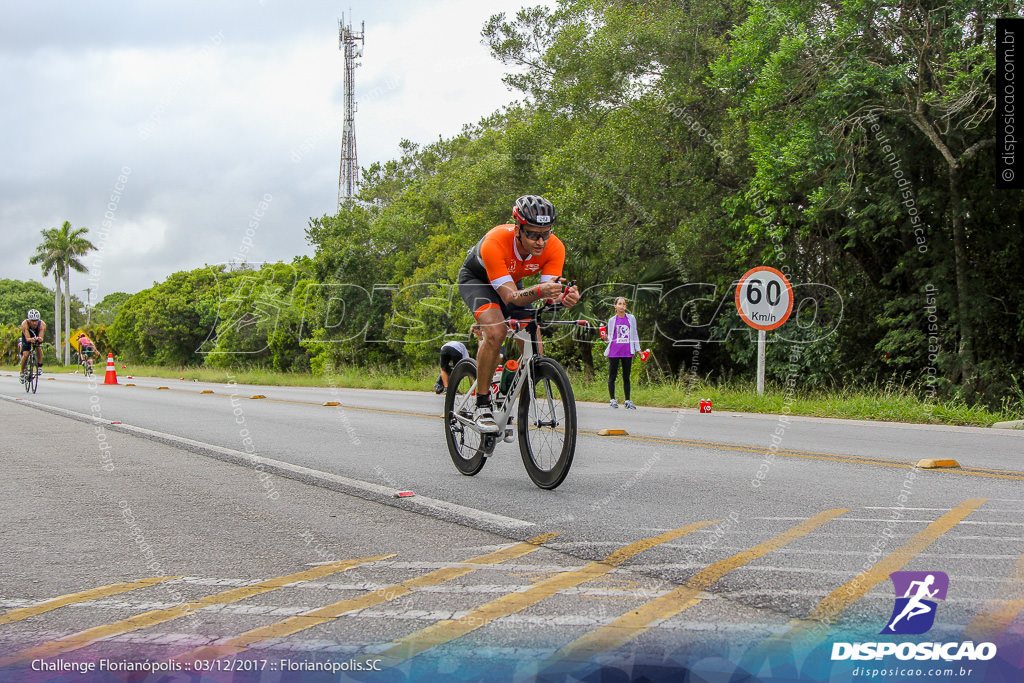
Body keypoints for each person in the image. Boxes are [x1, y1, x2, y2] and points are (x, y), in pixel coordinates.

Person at [457, 195, 580, 432]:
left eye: (546, 234)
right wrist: (541, 291)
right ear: (518, 230)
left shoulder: (555, 247)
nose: (541, 242)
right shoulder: (495, 242)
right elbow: (510, 297)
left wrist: (564, 299)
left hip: (511, 283)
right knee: (496, 331)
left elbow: (548, 296)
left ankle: (511, 388)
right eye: (533, 234)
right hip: (478, 281)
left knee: (533, 330)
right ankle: (482, 404)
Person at [604, 297, 641, 409]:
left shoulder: (631, 318)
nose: (622, 306)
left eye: (624, 304)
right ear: (615, 306)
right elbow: (610, 337)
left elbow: (634, 334)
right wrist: (605, 338)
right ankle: (612, 399)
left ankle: (628, 400)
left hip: (627, 351)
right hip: (614, 351)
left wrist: (638, 349)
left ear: (626, 307)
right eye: (619, 304)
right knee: (612, 375)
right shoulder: (611, 320)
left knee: (626, 377)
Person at [435, 325, 482, 394]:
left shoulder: (459, 345)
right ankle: (455, 389)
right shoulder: (465, 352)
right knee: (457, 371)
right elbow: (469, 368)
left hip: (444, 348)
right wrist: (471, 384)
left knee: (443, 369)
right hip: (456, 350)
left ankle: (446, 388)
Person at [19, 309, 47, 382]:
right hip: (27, 335)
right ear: (29, 320)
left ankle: (40, 365)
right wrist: (31, 339)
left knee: (38, 347)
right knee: (26, 354)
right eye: (32, 321)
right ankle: (22, 372)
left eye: (36, 320)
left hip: (37, 334)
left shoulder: (42, 325)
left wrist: (39, 339)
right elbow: (27, 338)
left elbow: (41, 337)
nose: (34, 323)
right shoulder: (25, 324)